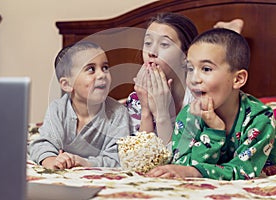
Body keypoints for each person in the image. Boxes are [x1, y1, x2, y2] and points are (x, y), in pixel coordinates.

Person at [146, 28, 276, 180]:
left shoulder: (259, 119)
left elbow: (243, 171)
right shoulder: (189, 116)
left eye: (206, 69)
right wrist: (214, 130)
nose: (194, 79)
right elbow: (182, 164)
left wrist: (195, 171)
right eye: (189, 68)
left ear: (238, 79)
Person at [125, 12, 244, 146]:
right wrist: (146, 111)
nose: (151, 52)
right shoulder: (138, 98)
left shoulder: (204, 96)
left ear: (185, 55)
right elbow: (141, 159)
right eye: (147, 43)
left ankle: (231, 31)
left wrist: (162, 113)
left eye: (164, 44)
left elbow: (180, 158)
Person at [29, 41, 132, 169]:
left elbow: (118, 158)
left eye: (105, 67)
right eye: (91, 69)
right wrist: (52, 160)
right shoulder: (58, 109)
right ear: (67, 85)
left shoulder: (118, 113)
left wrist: (85, 163)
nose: (102, 75)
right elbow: (42, 144)